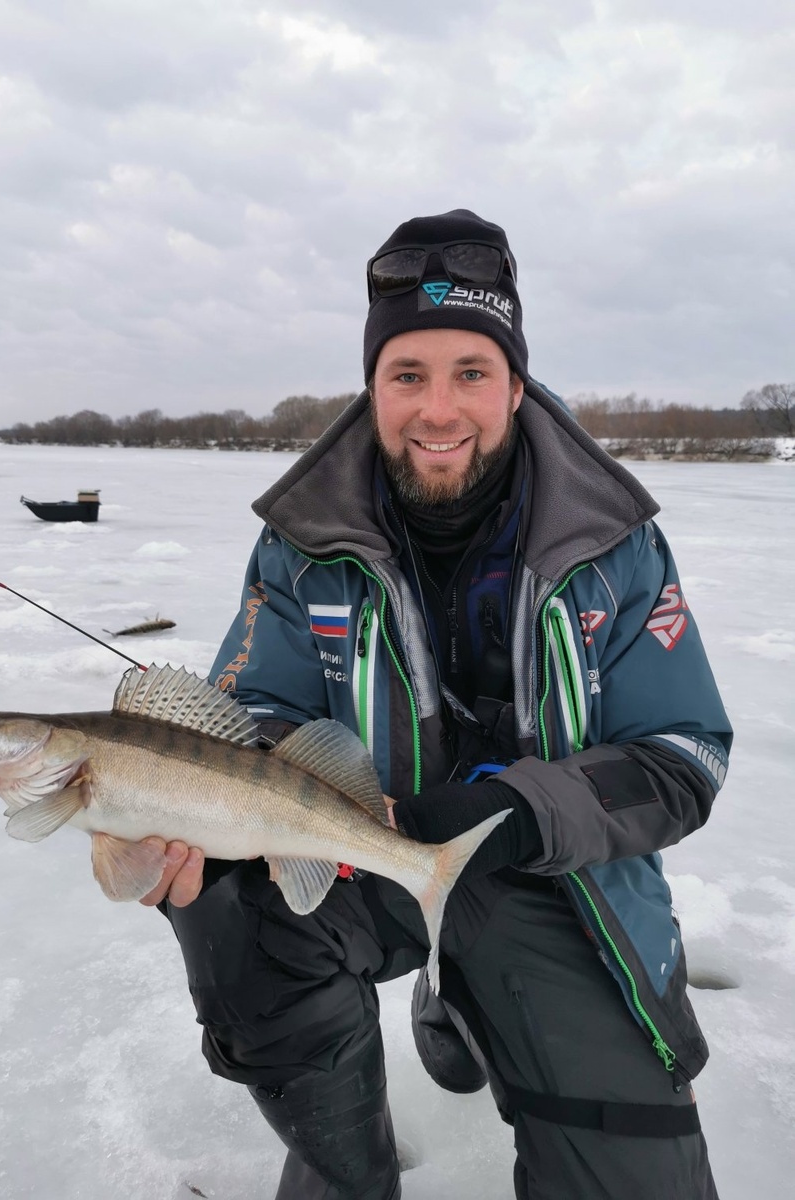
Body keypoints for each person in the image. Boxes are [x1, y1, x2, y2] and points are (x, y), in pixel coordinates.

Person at [142, 209, 732, 1199]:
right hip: (361, 855)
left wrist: (513, 813)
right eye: (407, 374)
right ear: (372, 386)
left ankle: (457, 1000)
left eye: (472, 372)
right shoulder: (301, 542)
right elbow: (253, 716)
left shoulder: (615, 539)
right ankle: (343, 1164)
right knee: (232, 901)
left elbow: (684, 752)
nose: (439, 409)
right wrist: (219, 803)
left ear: (515, 380)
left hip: (562, 881)